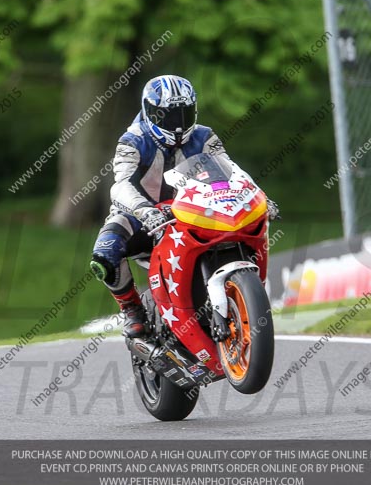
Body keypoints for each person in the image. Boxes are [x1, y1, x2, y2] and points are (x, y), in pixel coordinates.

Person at [89, 75, 279, 338]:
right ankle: (132, 309)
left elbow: (232, 171)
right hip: (143, 215)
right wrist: (145, 210)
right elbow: (119, 185)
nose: (177, 125)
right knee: (104, 254)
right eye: (167, 116)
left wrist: (259, 198)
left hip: (195, 209)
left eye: (183, 114)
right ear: (149, 112)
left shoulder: (204, 135)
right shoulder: (132, 141)